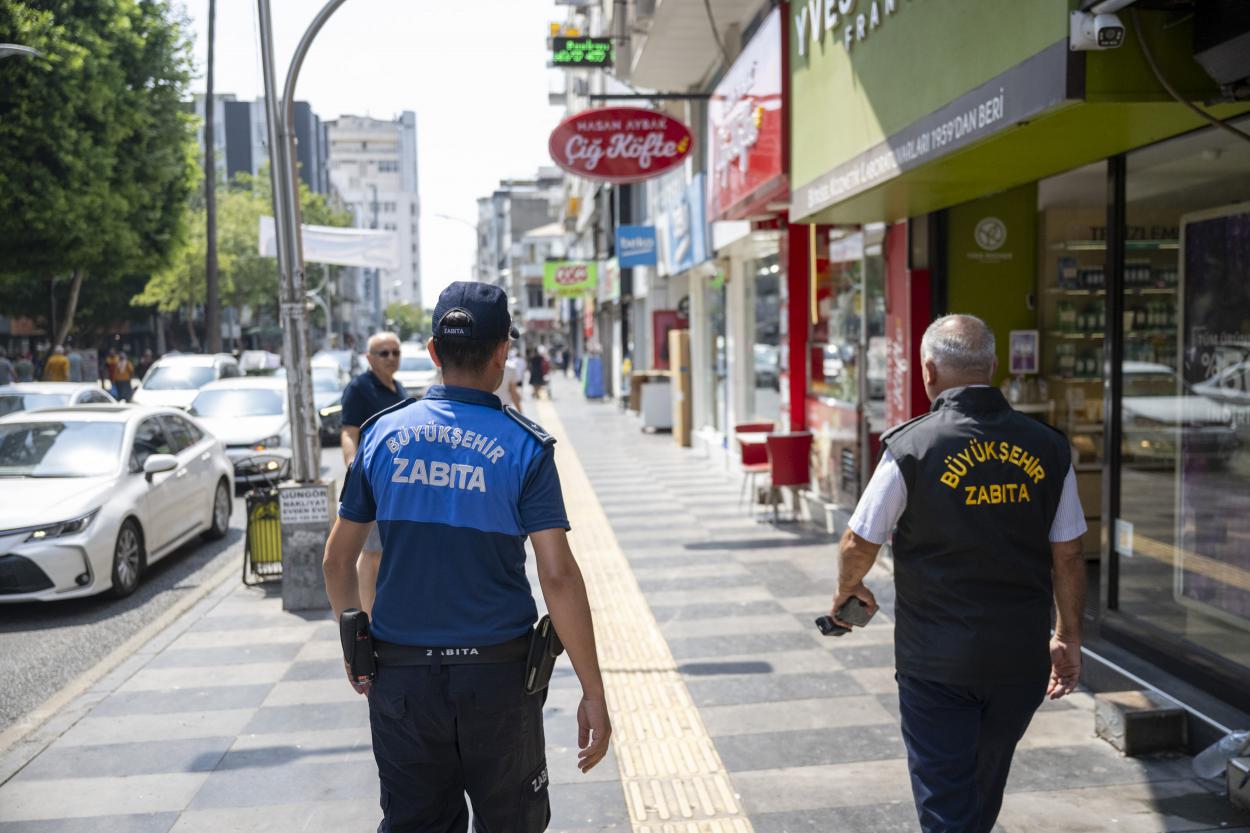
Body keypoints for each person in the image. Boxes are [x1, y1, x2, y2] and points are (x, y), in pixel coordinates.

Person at [323, 281, 611, 831]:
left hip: (403, 681)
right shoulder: (525, 446)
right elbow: (558, 576)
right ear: (503, 351)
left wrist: (353, 642)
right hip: (499, 680)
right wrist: (592, 691)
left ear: (432, 353)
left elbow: (338, 562)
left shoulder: (382, 437)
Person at [829, 314, 1086, 833]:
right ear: (992, 367)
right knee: (979, 794)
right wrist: (1066, 636)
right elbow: (1070, 556)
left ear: (928, 371)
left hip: (937, 664)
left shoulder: (912, 448)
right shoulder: (1049, 447)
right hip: (1017, 662)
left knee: (948, 804)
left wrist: (848, 590)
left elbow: (859, 539)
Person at [339, 331, 407, 616]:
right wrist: (355, 469)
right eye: (384, 353)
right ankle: (366, 617)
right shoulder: (359, 388)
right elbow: (349, 432)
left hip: (400, 483)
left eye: (395, 352)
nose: (391, 358)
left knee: (390, 553)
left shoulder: (397, 388)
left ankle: (385, 607)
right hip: (374, 483)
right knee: (372, 554)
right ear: (369, 358)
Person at [494, 346, 522, 412]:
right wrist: (520, 412)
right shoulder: (510, 368)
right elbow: (513, 393)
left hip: (485, 409)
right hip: (504, 409)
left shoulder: (481, 366)